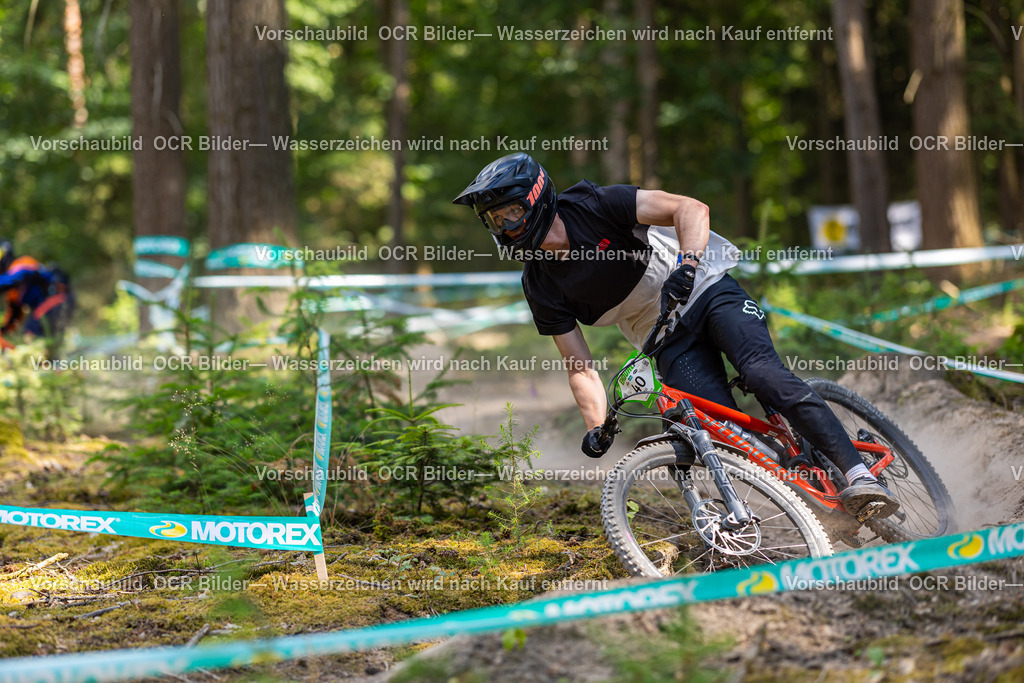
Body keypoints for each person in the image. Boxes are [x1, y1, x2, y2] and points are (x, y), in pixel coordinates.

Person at [453, 153, 898, 521]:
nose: (504, 225)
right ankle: (810, 503)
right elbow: (579, 364)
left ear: (535, 199)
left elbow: (691, 209)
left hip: (705, 289)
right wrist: (595, 426)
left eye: (509, 212)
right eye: (493, 218)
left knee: (763, 374)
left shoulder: (595, 204)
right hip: (661, 334)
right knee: (714, 431)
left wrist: (687, 265)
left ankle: (860, 474)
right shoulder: (540, 284)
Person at [0, 239, 75, 353]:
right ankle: (54, 364)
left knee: (31, 334)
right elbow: (14, 316)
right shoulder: (12, 293)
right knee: (48, 345)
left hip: (57, 300)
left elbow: (17, 277)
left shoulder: (22, 263)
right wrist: (4, 330)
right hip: (49, 307)